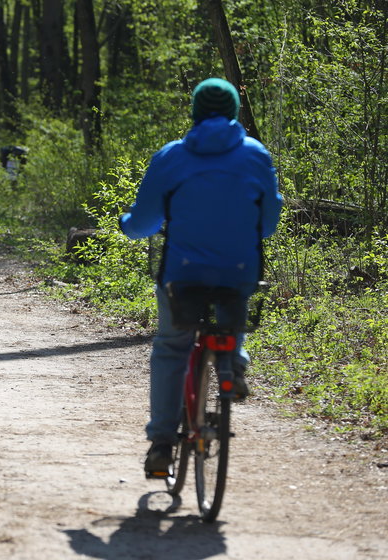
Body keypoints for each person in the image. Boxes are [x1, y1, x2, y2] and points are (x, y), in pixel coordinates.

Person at [119, 78, 282, 476]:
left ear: (194, 112)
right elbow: (269, 221)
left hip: (183, 272)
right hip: (240, 268)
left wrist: (127, 223)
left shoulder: (173, 156)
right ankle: (233, 364)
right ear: (234, 112)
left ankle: (161, 443)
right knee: (233, 305)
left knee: (173, 346)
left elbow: (143, 223)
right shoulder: (255, 155)